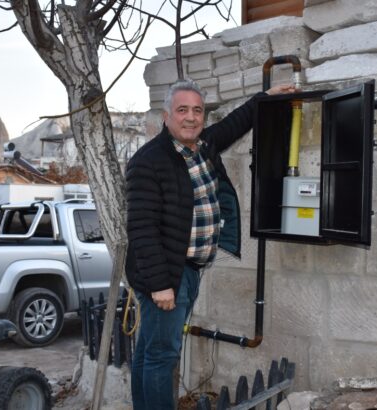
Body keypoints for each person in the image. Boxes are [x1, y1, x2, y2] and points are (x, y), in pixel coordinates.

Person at [125, 79, 296, 409]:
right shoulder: (148, 161)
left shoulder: (202, 146)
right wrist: (162, 286)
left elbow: (234, 123)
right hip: (166, 275)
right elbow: (142, 229)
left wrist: (265, 97)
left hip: (188, 269)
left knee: (150, 349)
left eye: (197, 110)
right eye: (182, 110)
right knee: (163, 355)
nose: (191, 117)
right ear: (166, 116)